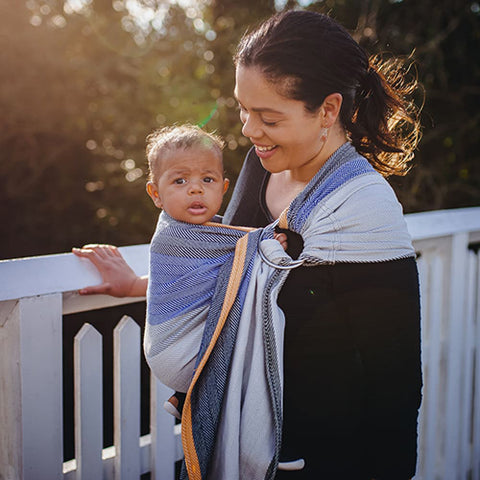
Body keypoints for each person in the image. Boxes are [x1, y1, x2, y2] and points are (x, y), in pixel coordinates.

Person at [73, 9, 422, 480]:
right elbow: (232, 275)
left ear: (328, 109)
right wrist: (137, 283)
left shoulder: (362, 208)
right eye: (243, 108)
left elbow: (395, 381)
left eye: (269, 117)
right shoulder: (262, 165)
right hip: (230, 438)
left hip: (327, 458)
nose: (248, 130)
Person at [142, 124, 287, 419]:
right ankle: (277, 427)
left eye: (207, 179)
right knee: (268, 344)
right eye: (180, 180)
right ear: (156, 194)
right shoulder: (173, 237)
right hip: (179, 350)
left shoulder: (210, 229)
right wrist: (271, 237)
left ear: (223, 188)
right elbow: (249, 242)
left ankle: (185, 397)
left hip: (176, 353)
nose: (195, 188)